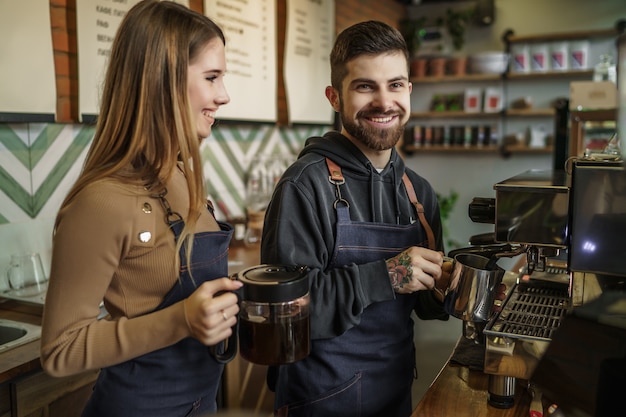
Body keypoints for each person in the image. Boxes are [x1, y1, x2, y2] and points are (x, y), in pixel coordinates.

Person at [40, 2, 242, 416]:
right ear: (163, 81)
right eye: (211, 77)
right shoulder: (102, 200)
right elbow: (60, 350)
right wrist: (180, 320)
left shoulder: (184, 176)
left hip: (201, 402)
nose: (223, 95)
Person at [260, 20, 452, 417]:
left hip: (395, 392)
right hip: (320, 399)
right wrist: (389, 274)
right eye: (365, 86)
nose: (384, 102)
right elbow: (284, 314)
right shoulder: (304, 186)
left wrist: (453, 285)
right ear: (334, 97)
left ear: (409, 91)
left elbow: (426, 308)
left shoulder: (418, 193)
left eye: (395, 85)